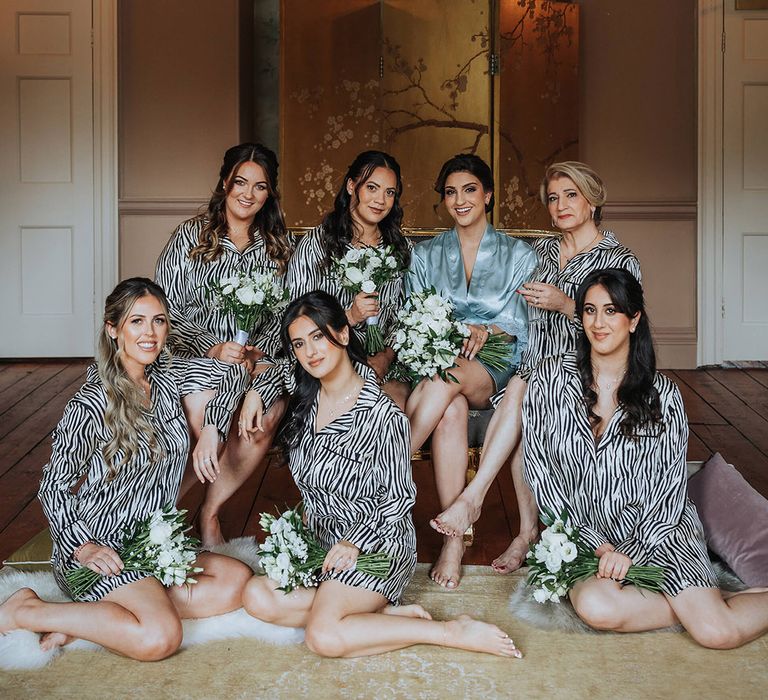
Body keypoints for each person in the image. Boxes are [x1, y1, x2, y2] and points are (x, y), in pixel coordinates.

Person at [233, 291, 521, 658]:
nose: (310, 352)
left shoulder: (381, 412)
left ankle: (447, 631)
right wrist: (256, 393)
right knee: (258, 595)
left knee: (323, 638)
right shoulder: (306, 398)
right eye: (299, 344)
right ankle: (377, 616)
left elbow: (400, 498)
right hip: (324, 543)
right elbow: (275, 373)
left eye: (318, 337)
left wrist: (354, 543)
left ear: (342, 334)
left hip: (374, 545)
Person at [0, 278, 251, 660]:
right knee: (159, 638)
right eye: (136, 322)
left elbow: (233, 374)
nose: (150, 334)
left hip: (152, 544)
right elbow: (53, 486)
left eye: (159, 321)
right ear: (113, 329)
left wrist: (212, 428)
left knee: (235, 581)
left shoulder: (168, 378)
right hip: (102, 548)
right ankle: (27, 610)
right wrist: (83, 548)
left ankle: (98, 620)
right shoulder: (90, 403)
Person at [523, 268, 768, 648]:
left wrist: (630, 552)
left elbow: (668, 491)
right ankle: (706, 603)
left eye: (611, 311)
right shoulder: (549, 380)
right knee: (597, 607)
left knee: (719, 634)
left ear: (633, 319)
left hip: (660, 534)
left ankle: (709, 611)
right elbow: (543, 476)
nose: (598, 323)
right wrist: (597, 545)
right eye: (589, 311)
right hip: (584, 536)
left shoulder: (663, 395)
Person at [429, 161, 641, 575]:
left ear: (593, 199)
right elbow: (511, 313)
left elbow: (626, 325)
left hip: (586, 373)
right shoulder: (541, 253)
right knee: (524, 391)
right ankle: (526, 533)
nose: (560, 205)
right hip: (531, 365)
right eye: (552, 198)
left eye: (571, 196)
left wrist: (567, 304)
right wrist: (487, 329)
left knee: (523, 390)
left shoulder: (618, 259)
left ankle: (475, 500)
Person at [404, 154, 538, 588]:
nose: (459, 200)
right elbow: (411, 313)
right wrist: (451, 331)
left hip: (496, 360)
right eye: (450, 192)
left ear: (488, 195)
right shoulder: (424, 254)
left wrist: (491, 327)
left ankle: (386, 466)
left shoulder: (519, 254)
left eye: (469, 190)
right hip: (439, 357)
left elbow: (527, 319)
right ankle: (453, 541)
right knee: (452, 410)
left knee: (449, 380)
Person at [155, 142, 293, 546]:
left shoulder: (279, 247)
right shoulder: (190, 237)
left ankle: (209, 512)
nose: (248, 194)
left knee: (266, 411)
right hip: (196, 358)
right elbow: (166, 310)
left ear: (270, 194)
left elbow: (288, 313)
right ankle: (157, 512)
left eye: (260, 186)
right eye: (240, 182)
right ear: (224, 182)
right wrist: (213, 347)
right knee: (212, 396)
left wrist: (259, 351)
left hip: (258, 362)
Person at [287, 151, 411, 410]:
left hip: (386, 363)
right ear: (352, 186)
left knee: (391, 407)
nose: (380, 200)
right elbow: (297, 317)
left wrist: (385, 357)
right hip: (329, 362)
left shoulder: (402, 249)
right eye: (372, 188)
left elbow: (409, 314)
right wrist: (349, 317)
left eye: (390, 192)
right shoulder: (317, 244)